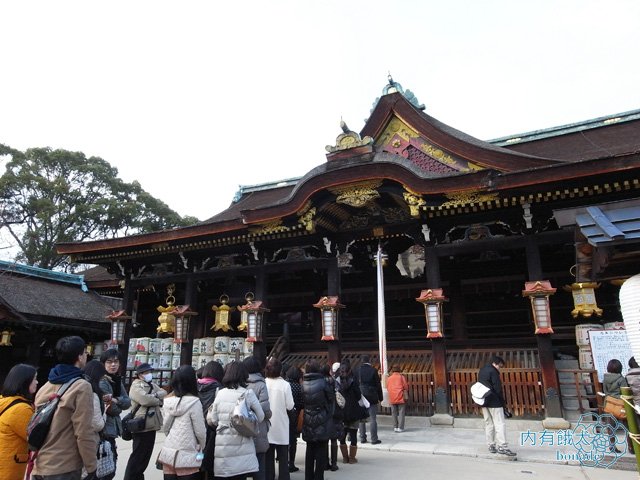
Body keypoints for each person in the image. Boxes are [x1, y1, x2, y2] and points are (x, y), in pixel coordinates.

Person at [32, 335, 98, 479]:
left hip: (41, 463)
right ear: (79, 357)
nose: (86, 355)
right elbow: (83, 431)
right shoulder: (81, 386)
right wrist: (91, 466)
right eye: (85, 352)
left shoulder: (46, 386)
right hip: (64, 465)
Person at [207, 360, 265, 480]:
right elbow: (261, 416)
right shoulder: (248, 393)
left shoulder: (220, 393)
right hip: (242, 447)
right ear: (244, 375)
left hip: (223, 447)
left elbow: (213, 419)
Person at [159, 365, 207, 479]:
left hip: (169, 452)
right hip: (188, 453)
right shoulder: (194, 402)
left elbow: (165, 428)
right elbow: (200, 432)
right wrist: (202, 446)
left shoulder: (168, 401)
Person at [124, 362, 167, 480]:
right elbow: (144, 400)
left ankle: (138, 477)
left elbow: (164, 393)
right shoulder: (136, 386)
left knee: (145, 457)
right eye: (146, 372)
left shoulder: (152, 385)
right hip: (141, 425)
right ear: (140, 375)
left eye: (149, 372)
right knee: (137, 457)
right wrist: (158, 400)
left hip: (152, 425)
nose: (149, 374)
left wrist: (155, 395)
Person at [0, 363, 37, 480]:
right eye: (34, 379)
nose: (37, 382)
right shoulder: (21, 409)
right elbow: (35, 438)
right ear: (24, 382)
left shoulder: (4, 400)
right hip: (9, 469)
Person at [99, 348, 131, 480]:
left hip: (112, 428)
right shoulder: (102, 381)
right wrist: (118, 404)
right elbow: (113, 409)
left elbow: (127, 402)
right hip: (104, 429)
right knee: (106, 468)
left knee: (110, 465)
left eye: (116, 362)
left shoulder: (116, 380)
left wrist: (116, 400)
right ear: (103, 364)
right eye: (109, 362)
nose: (113, 365)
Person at [301, 360, 334, 480]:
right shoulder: (324, 382)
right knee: (321, 450)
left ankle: (308, 477)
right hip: (322, 418)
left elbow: (301, 402)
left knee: (309, 449)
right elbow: (331, 400)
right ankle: (318, 477)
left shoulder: (302, 383)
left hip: (308, 417)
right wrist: (327, 414)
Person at [478, 355, 516, 457]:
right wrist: (503, 403)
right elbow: (497, 389)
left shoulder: (482, 370)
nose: (500, 367)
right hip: (495, 402)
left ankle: (491, 445)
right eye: (500, 365)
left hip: (484, 401)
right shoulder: (493, 372)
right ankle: (502, 446)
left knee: (488, 423)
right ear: (495, 363)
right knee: (499, 424)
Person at [265, 357, 294, 480]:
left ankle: (269, 477)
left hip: (267, 425)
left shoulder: (264, 382)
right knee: (283, 457)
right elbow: (290, 405)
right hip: (281, 425)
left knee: (268, 457)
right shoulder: (285, 385)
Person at [244, 356, 271, 480]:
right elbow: (265, 410)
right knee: (259, 464)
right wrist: (269, 414)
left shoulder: (241, 383)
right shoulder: (261, 385)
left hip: (243, 427)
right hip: (258, 427)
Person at [335, 359, 368, 464]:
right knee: (353, 435)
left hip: (342, 412)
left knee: (342, 434)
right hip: (354, 411)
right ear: (349, 370)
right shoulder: (354, 381)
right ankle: (352, 458)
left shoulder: (337, 382)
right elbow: (359, 396)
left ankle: (345, 457)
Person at [198, 360, 224, 480]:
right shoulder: (219, 389)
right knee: (210, 459)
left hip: (196, 428)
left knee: (198, 456)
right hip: (211, 429)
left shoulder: (195, 386)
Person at [603, 358, 629, 454]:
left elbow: (605, 392)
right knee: (628, 426)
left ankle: (612, 446)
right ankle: (631, 447)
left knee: (611, 427)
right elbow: (625, 392)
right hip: (620, 405)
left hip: (609, 404)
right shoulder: (621, 379)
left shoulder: (605, 378)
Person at [356, 355, 382, 445]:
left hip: (361, 395)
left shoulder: (357, 370)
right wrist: (380, 397)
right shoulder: (373, 370)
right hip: (372, 396)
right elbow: (378, 385)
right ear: (369, 361)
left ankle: (362, 438)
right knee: (372, 418)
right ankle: (374, 439)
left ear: (361, 361)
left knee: (361, 418)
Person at [82, 360, 107, 442]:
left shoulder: (78, 387)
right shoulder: (93, 395)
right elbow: (97, 425)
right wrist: (105, 412)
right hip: (88, 440)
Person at [285, 366, 303, 473]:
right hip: (294, 415)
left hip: (282, 415)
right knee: (292, 440)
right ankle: (291, 463)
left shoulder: (285, 385)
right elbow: (301, 403)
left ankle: (282, 459)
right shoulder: (298, 387)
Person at [326, 362, 343, 472]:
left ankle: (326, 462)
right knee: (333, 440)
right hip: (335, 412)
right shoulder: (335, 383)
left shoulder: (322, 383)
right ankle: (334, 463)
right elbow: (340, 399)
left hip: (325, 413)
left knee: (325, 440)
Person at [386, 365, 408, 433]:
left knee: (394, 413)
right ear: (399, 370)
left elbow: (387, 387)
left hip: (392, 396)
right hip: (400, 396)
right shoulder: (401, 377)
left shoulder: (389, 378)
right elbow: (405, 387)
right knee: (401, 412)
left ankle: (395, 427)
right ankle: (400, 428)